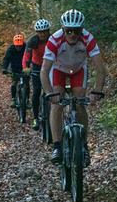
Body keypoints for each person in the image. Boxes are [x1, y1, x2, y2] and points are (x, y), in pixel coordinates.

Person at [41, 9, 106, 165]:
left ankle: (83, 146)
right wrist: (49, 93)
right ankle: (57, 145)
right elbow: (44, 71)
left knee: (80, 102)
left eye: (76, 31)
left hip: (78, 69)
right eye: (68, 31)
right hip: (58, 70)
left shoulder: (88, 38)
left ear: (81, 29)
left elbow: (100, 68)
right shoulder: (54, 40)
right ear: (63, 29)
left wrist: (97, 91)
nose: (72, 34)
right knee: (56, 104)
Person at [22, 18, 52, 131]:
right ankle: (35, 117)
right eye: (40, 32)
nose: (42, 34)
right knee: (36, 91)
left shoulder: (53, 39)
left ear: (49, 31)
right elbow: (26, 55)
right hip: (37, 67)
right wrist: (26, 67)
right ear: (37, 33)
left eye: (45, 31)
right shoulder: (32, 41)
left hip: (51, 66)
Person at [1, 33, 26, 108]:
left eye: (20, 46)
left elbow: (30, 56)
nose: (18, 47)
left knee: (26, 84)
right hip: (15, 68)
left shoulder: (26, 47)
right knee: (14, 82)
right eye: (17, 46)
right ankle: (13, 99)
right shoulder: (11, 49)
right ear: (14, 44)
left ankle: (27, 100)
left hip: (25, 68)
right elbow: (6, 59)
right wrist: (4, 68)